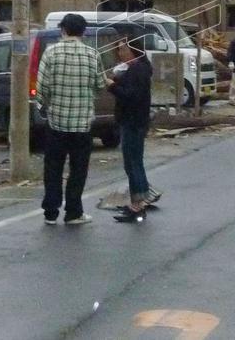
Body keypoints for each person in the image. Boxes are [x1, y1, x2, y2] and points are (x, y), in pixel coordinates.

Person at [37, 13, 102, 226]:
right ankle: (73, 212)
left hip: (56, 122)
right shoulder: (92, 55)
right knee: (78, 169)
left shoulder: (51, 52)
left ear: (62, 30)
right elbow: (100, 85)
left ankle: (50, 211)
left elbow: (42, 87)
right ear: (83, 32)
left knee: (53, 167)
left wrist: (46, 105)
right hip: (82, 124)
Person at [108, 37, 154, 223]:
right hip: (136, 120)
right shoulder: (138, 69)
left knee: (132, 162)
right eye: (119, 50)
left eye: (124, 50)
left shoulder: (137, 70)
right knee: (136, 161)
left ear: (134, 51)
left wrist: (111, 86)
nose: (121, 54)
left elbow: (131, 96)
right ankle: (140, 200)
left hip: (133, 121)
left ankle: (137, 204)